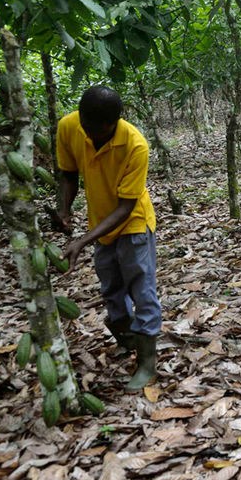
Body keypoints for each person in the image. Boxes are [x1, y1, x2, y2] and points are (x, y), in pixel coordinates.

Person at [56, 85, 162, 393]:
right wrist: (64, 210)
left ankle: (147, 362)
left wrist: (83, 240)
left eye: (93, 128)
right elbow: (68, 173)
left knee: (142, 290)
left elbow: (126, 206)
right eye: (83, 123)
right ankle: (126, 341)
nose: (86, 132)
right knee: (111, 290)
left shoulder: (135, 145)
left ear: (111, 124)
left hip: (133, 225)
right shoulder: (70, 126)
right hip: (99, 224)